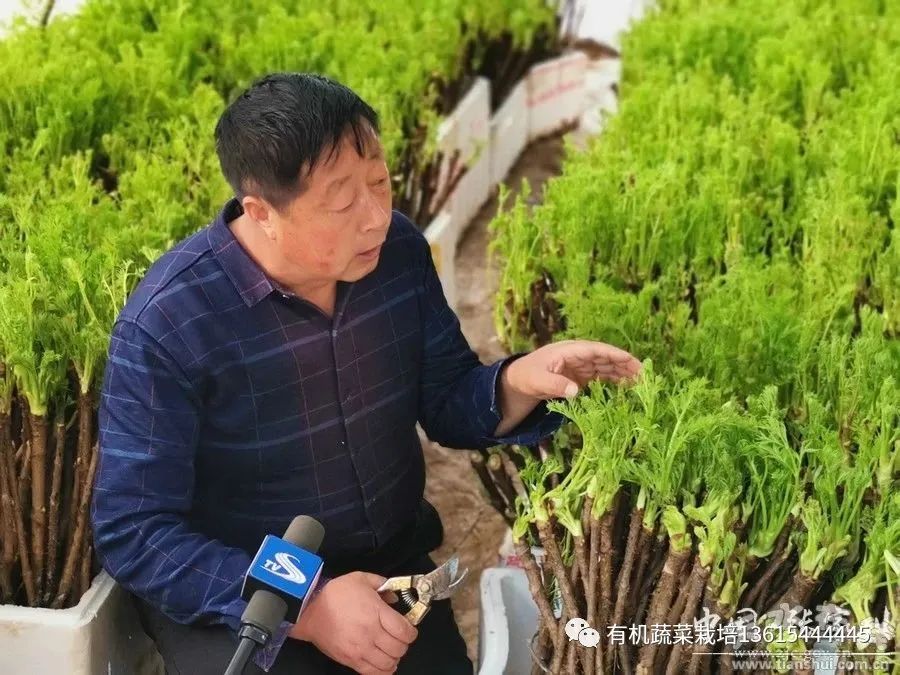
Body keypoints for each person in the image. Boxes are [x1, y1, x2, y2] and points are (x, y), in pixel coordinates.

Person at [90, 72, 642, 674]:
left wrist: (517, 382)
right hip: (250, 587)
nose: (377, 216)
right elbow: (136, 530)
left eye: (380, 183)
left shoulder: (397, 254)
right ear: (262, 212)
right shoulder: (170, 322)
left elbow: (448, 397)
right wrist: (311, 602)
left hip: (388, 566)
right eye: (342, 201)